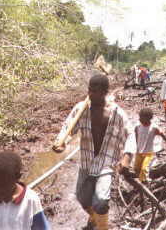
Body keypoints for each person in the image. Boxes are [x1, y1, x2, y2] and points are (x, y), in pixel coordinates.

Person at [53, 74, 136, 230]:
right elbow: (68, 128)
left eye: (95, 91)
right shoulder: (81, 108)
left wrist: (127, 157)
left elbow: (131, 134)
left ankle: (103, 226)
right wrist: (61, 142)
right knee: (82, 198)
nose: (90, 94)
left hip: (106, 162)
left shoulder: (116, 112)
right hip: (87, 161)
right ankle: (95, 219)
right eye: (89, 90)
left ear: (105, 91)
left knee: (101, 201)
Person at [133, 108, 166, 182]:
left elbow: (164, 137)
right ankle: (139, 183)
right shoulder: (137, 127)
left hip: (149, 153)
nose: (139, 119)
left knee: (144, 169)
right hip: (139, 152)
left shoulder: (154, 128)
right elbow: (136, 138)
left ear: (149, 118)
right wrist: (136, 148)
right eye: (139, 117)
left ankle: (145, 184)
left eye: (142, 117)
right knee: (136, 168)